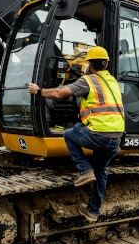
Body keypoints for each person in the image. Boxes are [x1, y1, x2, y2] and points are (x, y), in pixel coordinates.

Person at [28, 46, 125, 222]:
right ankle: (93, 212)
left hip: (98, 135)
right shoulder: (113, 82)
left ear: (89, 64)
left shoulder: (89, 80)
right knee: (101, 170)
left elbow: (59, 93)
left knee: (69, 134)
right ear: (107, 64)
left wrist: (39, 91)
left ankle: (84, 170)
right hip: (115, 139)